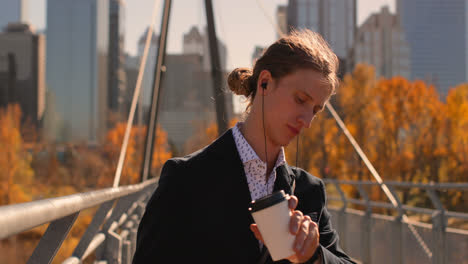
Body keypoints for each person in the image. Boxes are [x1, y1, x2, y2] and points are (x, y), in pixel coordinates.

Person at [132, 29, 355, 264]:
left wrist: (314, 256)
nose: (307, 121)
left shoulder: (309, 191)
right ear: (265, 83)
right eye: (300, 100)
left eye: (315, 111)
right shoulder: (185, 179)